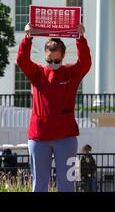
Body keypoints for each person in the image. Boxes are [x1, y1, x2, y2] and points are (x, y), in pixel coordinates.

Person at [16, 23, 91, 192]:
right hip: (38, 137)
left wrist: (80, 38)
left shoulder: (71, 73)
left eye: (56, 60)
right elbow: (21, 60)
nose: (52, 63)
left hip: (66, 138)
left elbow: (85, 63)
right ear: (45, 55)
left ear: (63, 56)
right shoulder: (38, 72)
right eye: (49, 60)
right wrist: (27, 38)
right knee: (39, 184)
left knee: (67, 185)